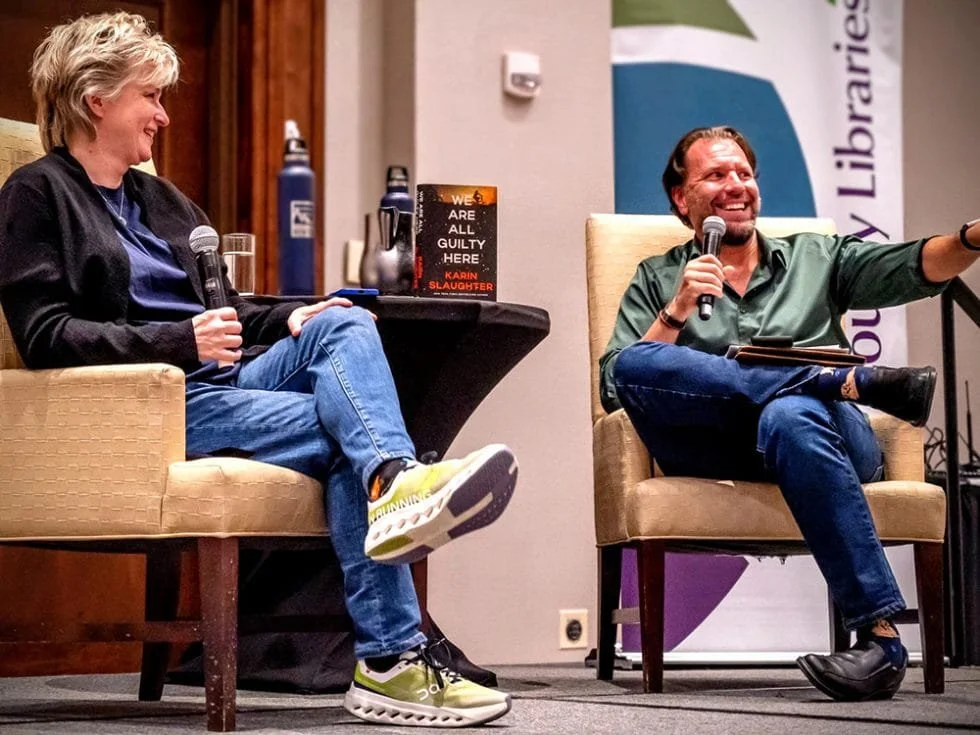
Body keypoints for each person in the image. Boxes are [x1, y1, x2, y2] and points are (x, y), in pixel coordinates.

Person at [0, 12, 515, 727]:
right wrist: (180, 342)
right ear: (97, 98)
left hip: (224, 380)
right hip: (149, 405)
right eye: (150, 95)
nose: (162, 114)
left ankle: (396, 485)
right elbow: (46, 335)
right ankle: (392, 655)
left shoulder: (163, 201)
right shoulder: (36, 193)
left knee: (340, 319)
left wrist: (291, 317)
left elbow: (230, 308)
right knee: (347, 434)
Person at [601, 125, 980, 702]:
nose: (736, 186)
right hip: (715, 444)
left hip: (825, 437)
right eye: (715, 175)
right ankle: (839, 380)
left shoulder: (816, 257)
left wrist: (972, 238)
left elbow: (912, 265)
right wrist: (677, 309)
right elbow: (617, 383)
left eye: (744, 174)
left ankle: (879, 638)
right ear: (682, 198)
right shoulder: (659, 276)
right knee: (635, 364)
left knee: (792, 416)